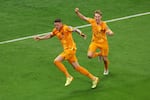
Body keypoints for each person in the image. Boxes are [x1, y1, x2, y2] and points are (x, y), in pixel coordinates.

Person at [34, 19, 99, 89]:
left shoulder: (66, 28)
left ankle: (68, 76)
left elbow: (75, 29)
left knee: (56, 61)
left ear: (61, 24)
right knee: (77, 67)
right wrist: (40, 38)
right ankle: (94, 78)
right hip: (67, 51)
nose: (56, 26)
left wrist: (81, 33)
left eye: (57, 25)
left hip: (71, 50)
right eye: (55, 25)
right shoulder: (55, 30)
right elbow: (50, 35)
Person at [75, 8, 114, 75]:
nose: (97, 18)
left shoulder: (104, 24)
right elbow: (83, 18)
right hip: (95, 42)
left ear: (101, 17)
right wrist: (77, 12)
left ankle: (106, 69)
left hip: (103, 43)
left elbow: (110, 31)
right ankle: (99, 54)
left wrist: (110, 33)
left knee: (105, 59)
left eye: (98, 17)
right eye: (95, 16)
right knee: (89, 56)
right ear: (94, 17)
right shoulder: (92, 21)